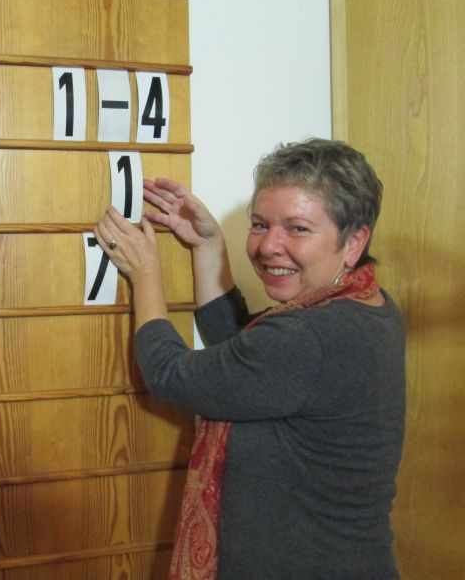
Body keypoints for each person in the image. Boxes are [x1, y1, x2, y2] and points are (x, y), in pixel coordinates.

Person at [94, 138, 405, 579]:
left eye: (297, 229)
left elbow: (170, 375)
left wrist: (145, 273)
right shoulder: (367, 305)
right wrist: (207, 248)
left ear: (353, 241)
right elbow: (246, 360)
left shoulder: (308, 337)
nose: (268, 246)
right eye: (260, 225)